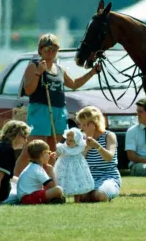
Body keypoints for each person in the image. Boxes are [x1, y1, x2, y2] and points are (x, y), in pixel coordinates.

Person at [14, 33, 100, 176]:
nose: (50, 53)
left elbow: (73, 84)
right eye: (47, 49)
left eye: (54, 49)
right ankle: (15, 181)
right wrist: (38, 73)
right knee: (32, 149)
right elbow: (29, 90)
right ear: (40, 50)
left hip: (59, 111)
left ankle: (47, 180)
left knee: (53, 150)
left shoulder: (59, 69)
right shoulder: (33, 66)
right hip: (40, 110)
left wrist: (92, 72)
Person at [76, 106, 121, 202]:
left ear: (94, 124)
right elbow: (79, 162)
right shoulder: (82, 139)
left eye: (84, 125)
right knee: (80, 197)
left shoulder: (109, 136)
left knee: (98, 195)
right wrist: (87, 146)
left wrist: (97, 146)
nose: (81, 128)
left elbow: (109, 157)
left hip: (109, 177)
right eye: (81, 125)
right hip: (89, 178)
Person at [17, 140, 65, 205]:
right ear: (43, 153)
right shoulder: (37, 168)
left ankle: (52, 201)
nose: (49, 155)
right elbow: (53, 186)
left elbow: (47, 187)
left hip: (27, 198)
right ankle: (52, 201)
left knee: (56, 193)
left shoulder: (33, 167)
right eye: (48, 152)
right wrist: (50, 169)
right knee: (58, 190)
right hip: (28, 198)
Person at [53, 127, 94, 202]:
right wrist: (55, 154)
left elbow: (89, 145)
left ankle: (77, 199)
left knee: (77, 181)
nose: (68, 142)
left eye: (71, 141)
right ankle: (60, 197)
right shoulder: (63, 147)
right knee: (64, 180)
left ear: (77, 141)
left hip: (78, 168)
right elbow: (58, 153)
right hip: (64, 167)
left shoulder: (81, 147)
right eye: (67, 140)